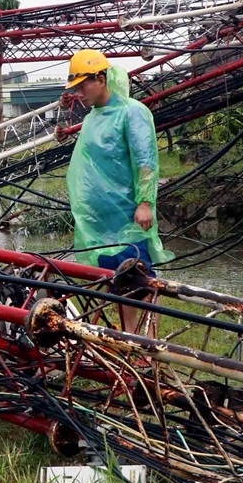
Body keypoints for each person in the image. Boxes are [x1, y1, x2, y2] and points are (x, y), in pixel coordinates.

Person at [63, 49, 172, 336]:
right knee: (116, 287)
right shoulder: (92, 118)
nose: (79, 93)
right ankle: (129, 344)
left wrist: (145, 202)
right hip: (101, 225)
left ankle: (150, 349)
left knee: (141, 283)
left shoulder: (132, 112)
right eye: (75, 88)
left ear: (101, 78)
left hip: (128, 219)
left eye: (82, 85)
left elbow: (145, 160)